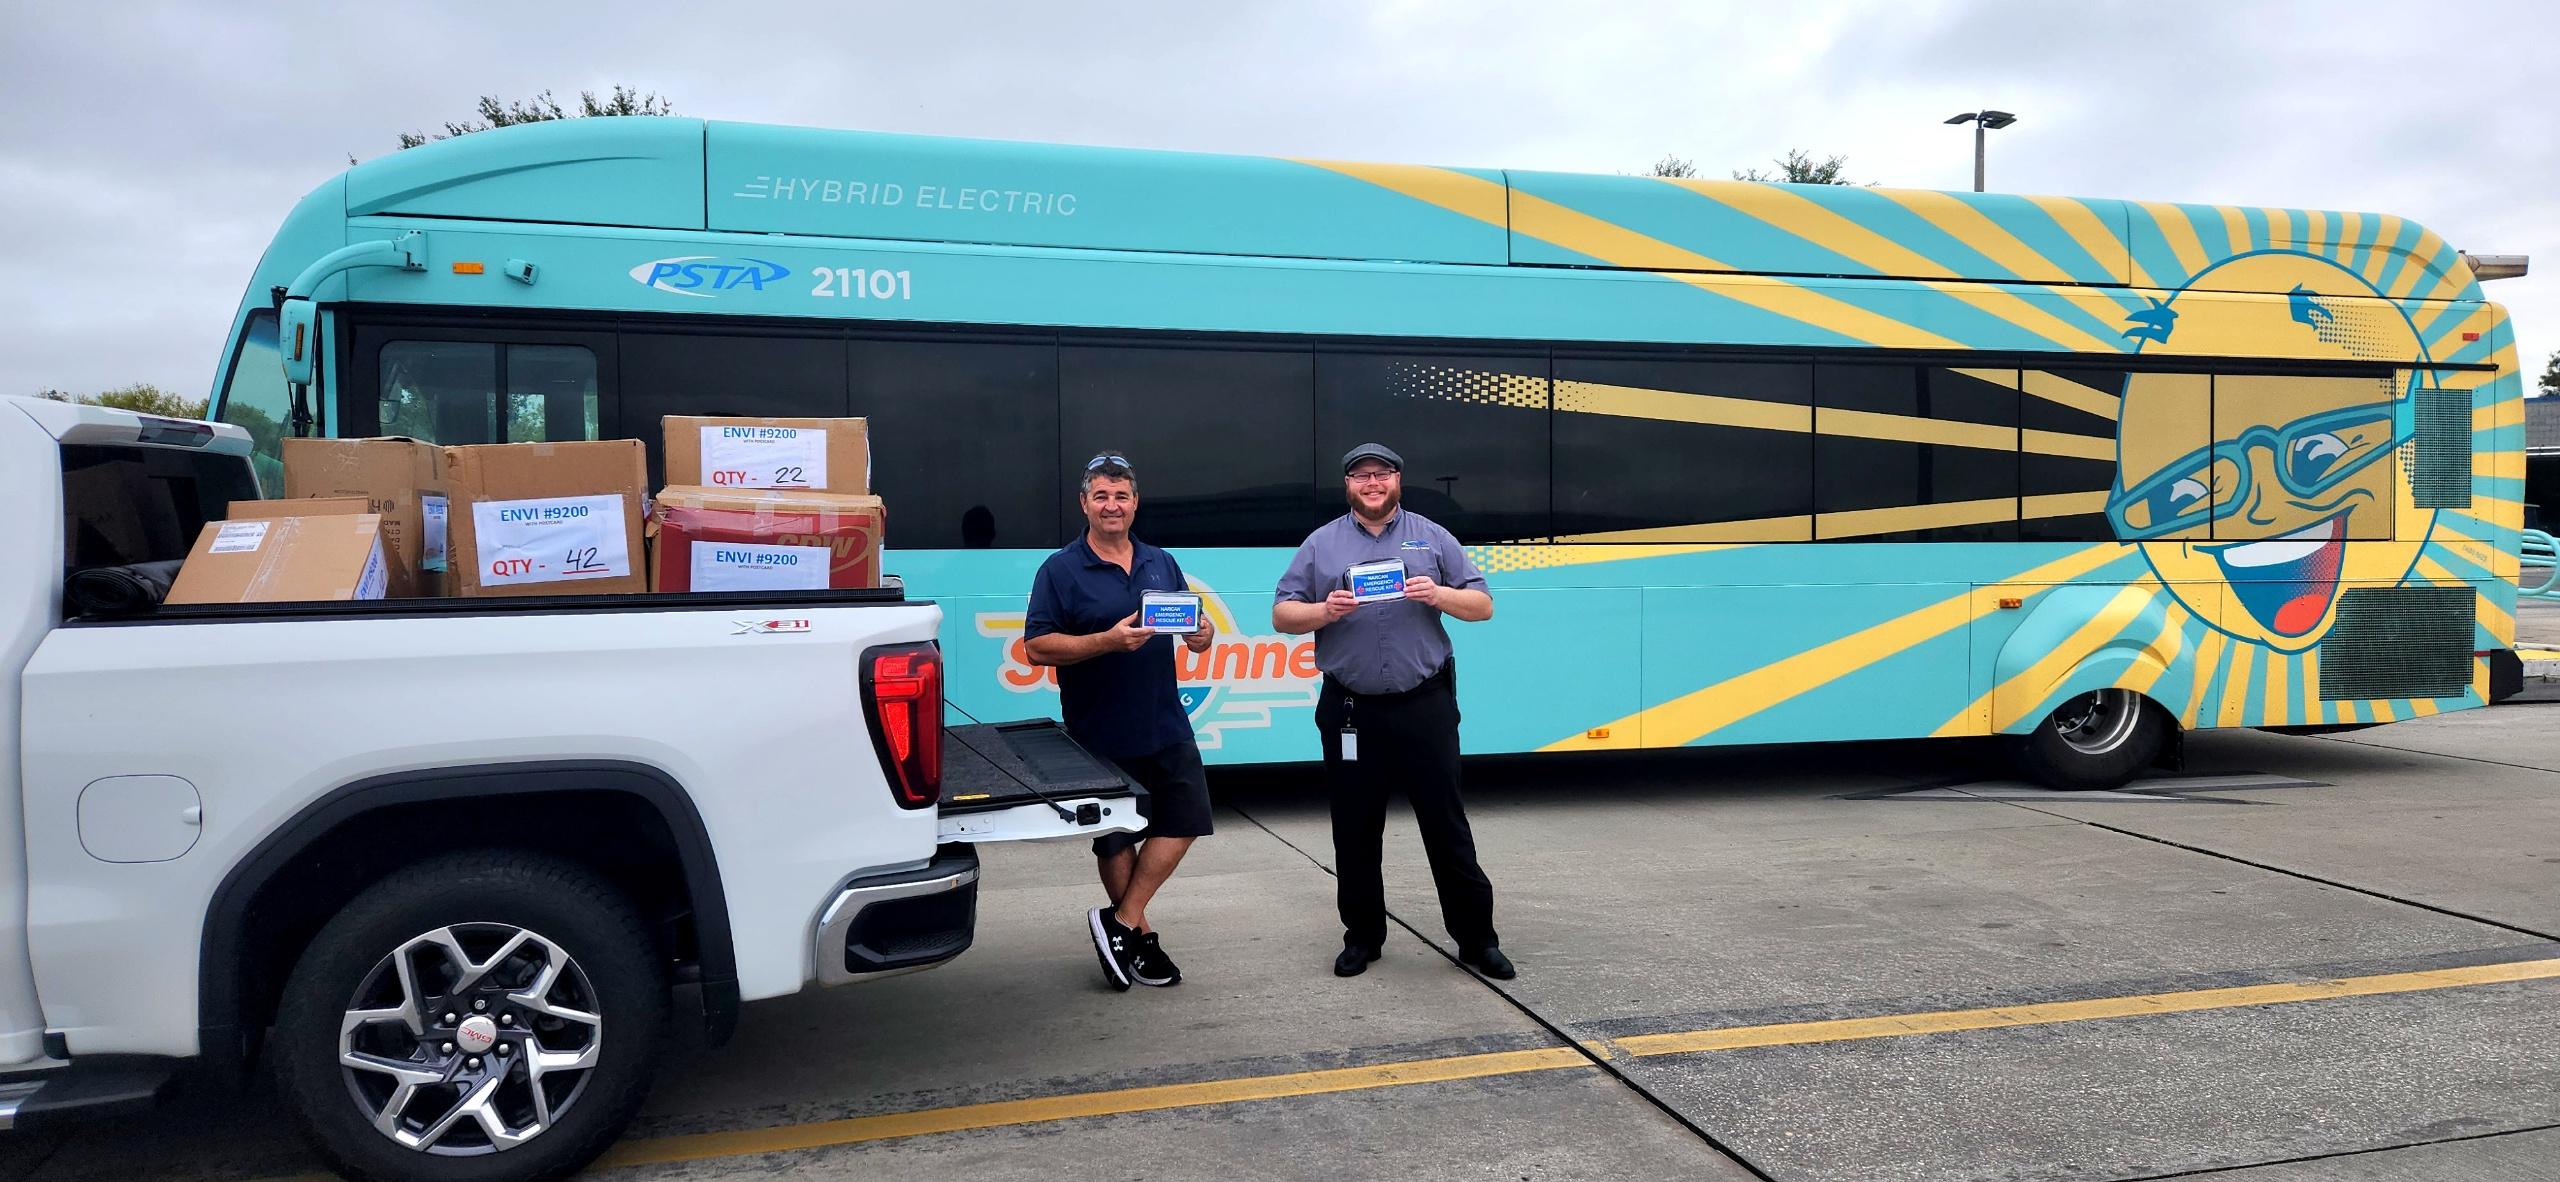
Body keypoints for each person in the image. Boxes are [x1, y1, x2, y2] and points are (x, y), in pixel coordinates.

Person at [1272, 443, 1511, 980]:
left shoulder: (1431, 536)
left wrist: (1439, 594)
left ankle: (1477, 939)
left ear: (1398, 479)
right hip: (1351, 710)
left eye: (1381, 474)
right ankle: (1362, 938)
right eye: (1361, 476)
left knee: (1446, 826)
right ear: (1348, 485)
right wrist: (1323, 610)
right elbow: (1284, 614)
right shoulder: (1321, 544)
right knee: (1354, 830)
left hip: (1424, 704)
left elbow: (1483, 605)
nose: (1372, 483)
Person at [1024, 452, 1217, 990]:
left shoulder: (1160, 560)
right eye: (1102, 496)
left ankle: (1122, 922)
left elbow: (1194, 626)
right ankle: (1142, 940)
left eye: (1122, 495)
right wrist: (1105, 641)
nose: (1113, 505)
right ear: (1084, 504)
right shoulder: (1059, 570)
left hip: (1165, 720)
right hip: (1098, 729)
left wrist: (1202, 636)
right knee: (1115, 838)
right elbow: (1037, 647)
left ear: (1136, 504)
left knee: (1186, 820)